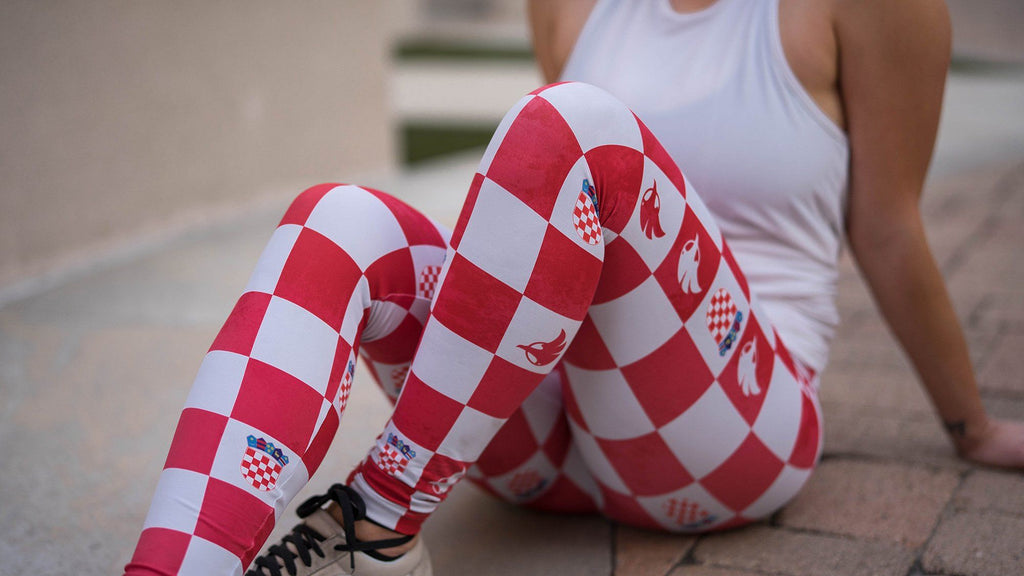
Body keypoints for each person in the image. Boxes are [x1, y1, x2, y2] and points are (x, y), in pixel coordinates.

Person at [124, 1, 1024, 575]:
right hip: (542, 444)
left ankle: (379, 519)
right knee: (335, 222)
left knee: (574, 126)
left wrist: (969, 425)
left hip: (728, 435)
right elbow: (536, 224)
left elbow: (889, 226)